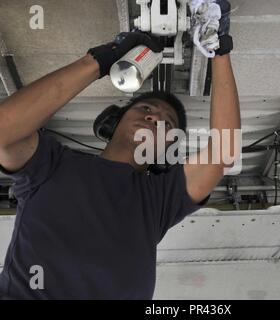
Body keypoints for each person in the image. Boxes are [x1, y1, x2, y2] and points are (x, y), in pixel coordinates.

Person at [0, 1, 240, 299]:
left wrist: (218, 48)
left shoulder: (157, 201)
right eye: (146, 108)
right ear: (114, 122)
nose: (155, 117)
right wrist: (105, 58)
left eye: (167, 123)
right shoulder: (52, 166)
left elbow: (222, 154)